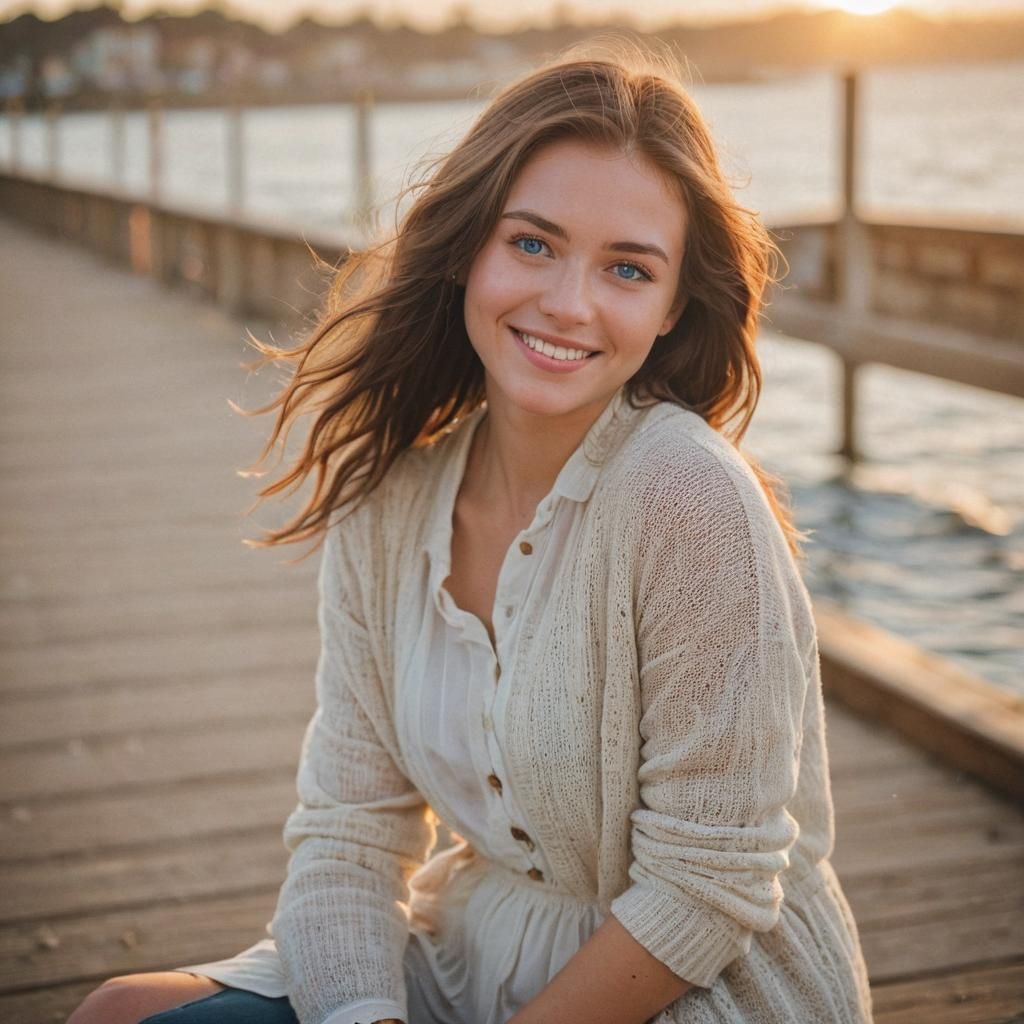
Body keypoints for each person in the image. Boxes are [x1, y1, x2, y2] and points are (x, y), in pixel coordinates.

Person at [68, 43, 873, 1024]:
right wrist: (362, 1014)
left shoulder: (690, 498)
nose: (568, 303)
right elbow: (350, 831)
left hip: (697, 988)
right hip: (472, 959)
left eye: (626, 267)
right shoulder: (391, 498)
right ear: (467, 248)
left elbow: (708, 883)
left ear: (671, 308)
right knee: (116, 1011)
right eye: (531, 243)